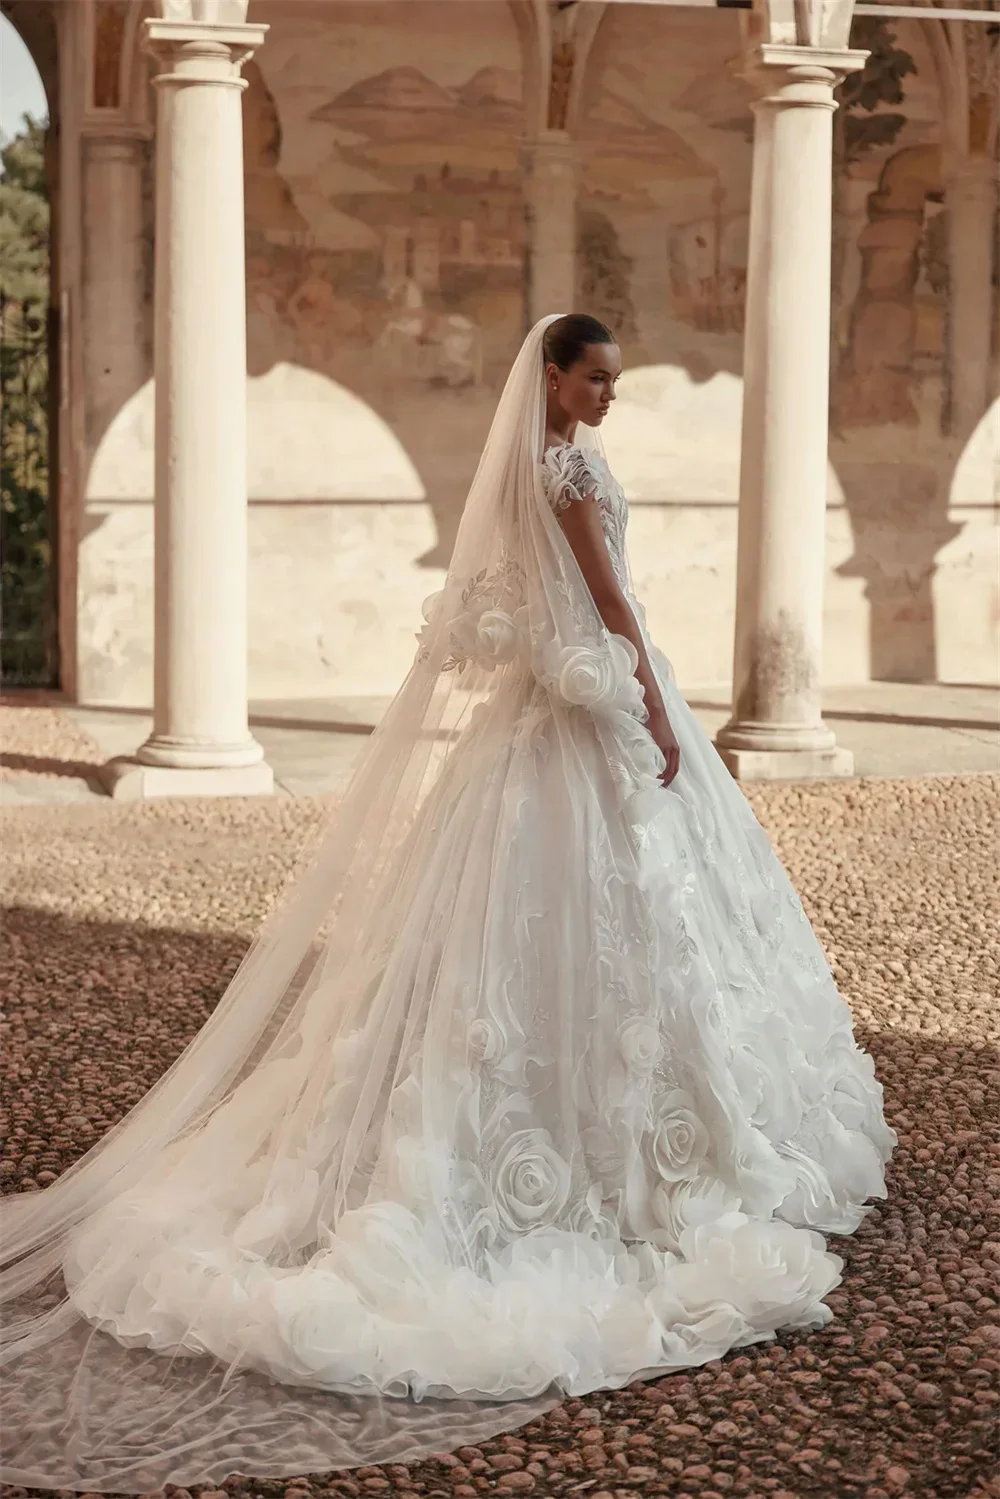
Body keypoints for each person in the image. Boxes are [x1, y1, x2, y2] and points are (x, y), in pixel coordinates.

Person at [0, 314, 895, 1492]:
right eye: (599, 378)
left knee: (528, 934)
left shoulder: (539, 467)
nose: (611, 395)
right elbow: (606, 594)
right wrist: (651, 697)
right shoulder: (566, 468)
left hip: (545, 715)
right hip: (591, 704)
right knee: (623, 925)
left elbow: (507, 613)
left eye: (615, 381)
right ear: (558, 379)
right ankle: (618, 1152)